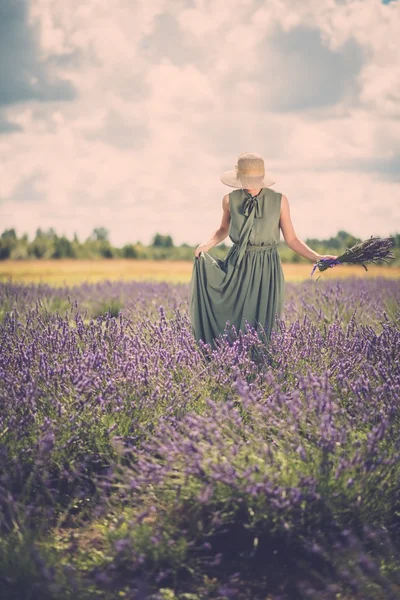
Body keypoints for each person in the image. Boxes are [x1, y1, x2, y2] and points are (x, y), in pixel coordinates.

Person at [188, 152, 338, 350]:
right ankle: (225, 362)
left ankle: (260, 371)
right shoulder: (229, 200)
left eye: (253, 179)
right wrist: (206, 244)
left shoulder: (280, 201)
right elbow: (223, 229)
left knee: (263, 325)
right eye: (245, 179)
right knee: (232, 317)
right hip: (238, 265)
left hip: (268, 268)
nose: (248, 184)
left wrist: (316, 257)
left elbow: (291, 239)